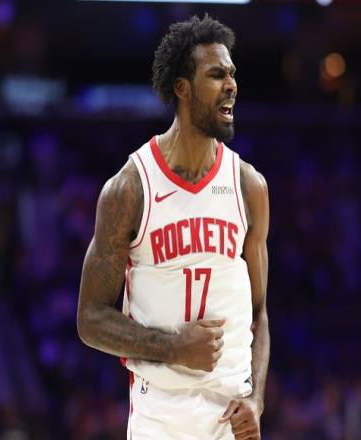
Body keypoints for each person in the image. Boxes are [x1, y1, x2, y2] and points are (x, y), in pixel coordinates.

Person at [77, 14, 270, 440]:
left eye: (232, 74)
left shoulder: (249, 186)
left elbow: (260, 314)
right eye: (216, 75)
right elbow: (90, 319)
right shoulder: (130, 189)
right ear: (182, 88)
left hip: (231, 419)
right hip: (160, 418)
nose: (231, 85)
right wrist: (175, 348)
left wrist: (257, 400)